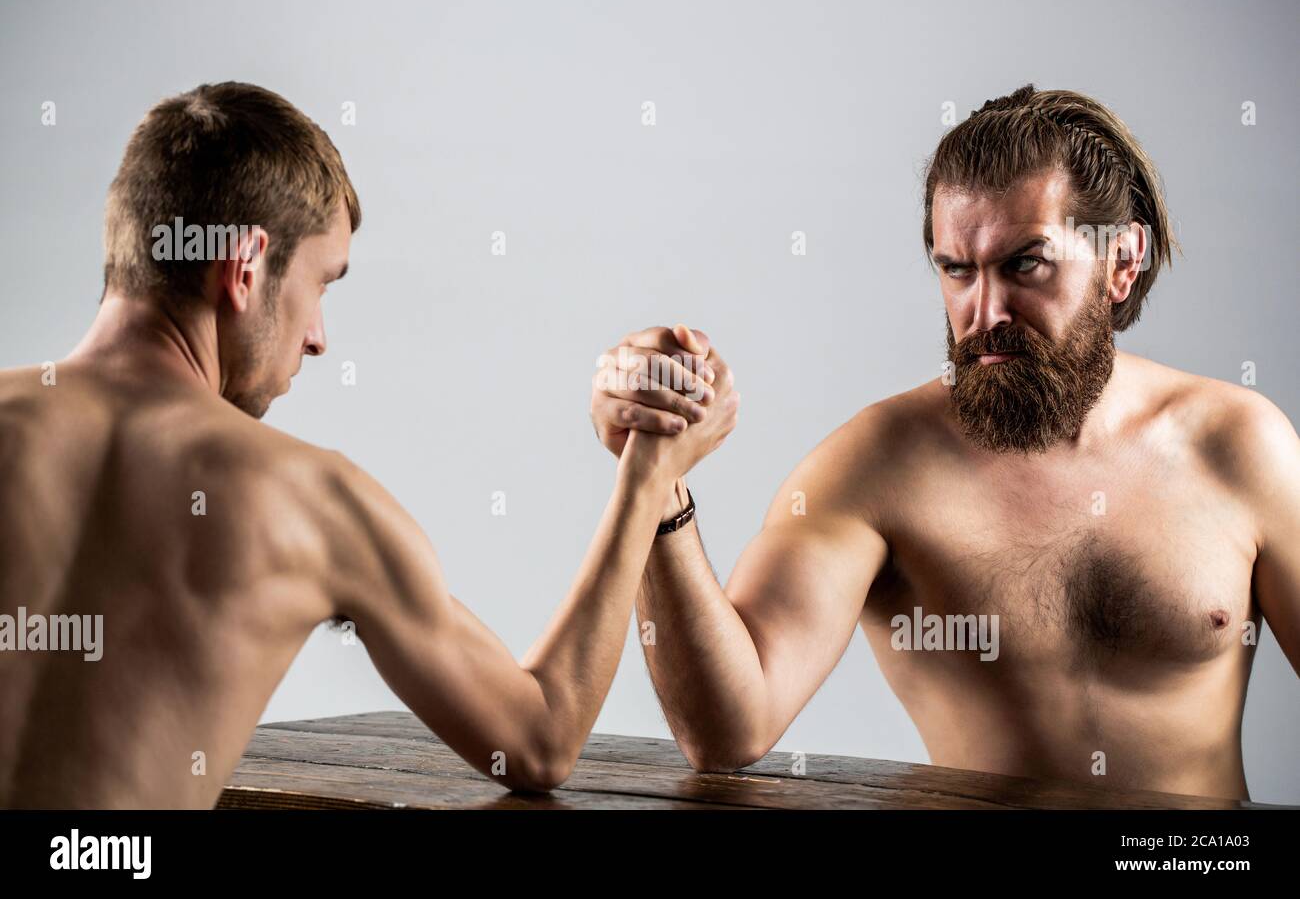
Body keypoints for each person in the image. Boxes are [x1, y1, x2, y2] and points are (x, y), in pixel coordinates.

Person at [0, 82, 738, 807]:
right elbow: (538, 738)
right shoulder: (313, 501)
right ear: (246, 267)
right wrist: (650, 474)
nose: (318, 338)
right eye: (322, 284)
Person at [590, 85, 1300, 799]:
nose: (985, 312)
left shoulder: (1239, 445)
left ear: (1121, 261)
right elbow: (726, 730)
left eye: (1026, 264)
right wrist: (656, 476)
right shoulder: (877, 466)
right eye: (956, 269)